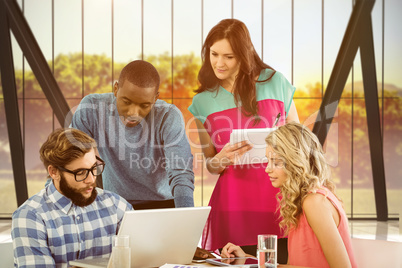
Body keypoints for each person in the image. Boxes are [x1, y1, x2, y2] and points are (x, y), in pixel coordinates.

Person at [188, 18, 299, 261]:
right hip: (235, 205)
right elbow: (211, 165)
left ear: (244, 54)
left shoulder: (275, 82)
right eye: (214, 54)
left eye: (229, 56)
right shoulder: (202, 102)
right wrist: (222, 158)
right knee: (240, 263)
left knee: (284, 261)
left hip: (281, 200)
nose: (219, 63)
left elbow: (299, 140)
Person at [221, 122, 357, 268]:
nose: (267, 169)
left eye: (277, 162)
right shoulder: (301, 201)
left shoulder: (315, 202)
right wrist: (246, 260)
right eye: (268, 161)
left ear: (297, 163)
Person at [71, 60, 195, 210]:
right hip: (115, 204)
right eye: (126, 101)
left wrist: (185, 217)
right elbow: (70, 158)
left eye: (144, 105)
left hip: (164, 204)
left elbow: (180, 173)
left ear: (155, 98)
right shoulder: (92, 108)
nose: (133, 113)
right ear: (116, 89)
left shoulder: (168, 116)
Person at [11, 128, 133, 267]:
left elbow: (142, 259)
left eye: (94, 168)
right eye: (81, 172)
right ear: (54, 172)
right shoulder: (31, 217)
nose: (91, 179)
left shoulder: (117, 206)